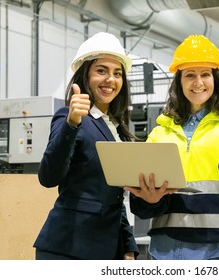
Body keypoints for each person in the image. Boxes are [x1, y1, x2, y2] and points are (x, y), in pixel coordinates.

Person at [125, 35, 219, 260]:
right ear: (179, 81)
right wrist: (147, 199)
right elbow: (143, 204)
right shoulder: (160, 131)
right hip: (168, 248)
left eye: (205, 74)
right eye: (190, 75)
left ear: (216, 78)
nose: (198, 82)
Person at [33, 32, 139, 260]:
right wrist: (72, 123)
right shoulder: (69, 118)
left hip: (107, 248)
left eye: (117, 73)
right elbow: (48, 177)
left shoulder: (116, 128)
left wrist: (127, 244)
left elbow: (113, 194)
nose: (111, 79)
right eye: (101, 71)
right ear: (85, 75)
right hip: (68, 247)